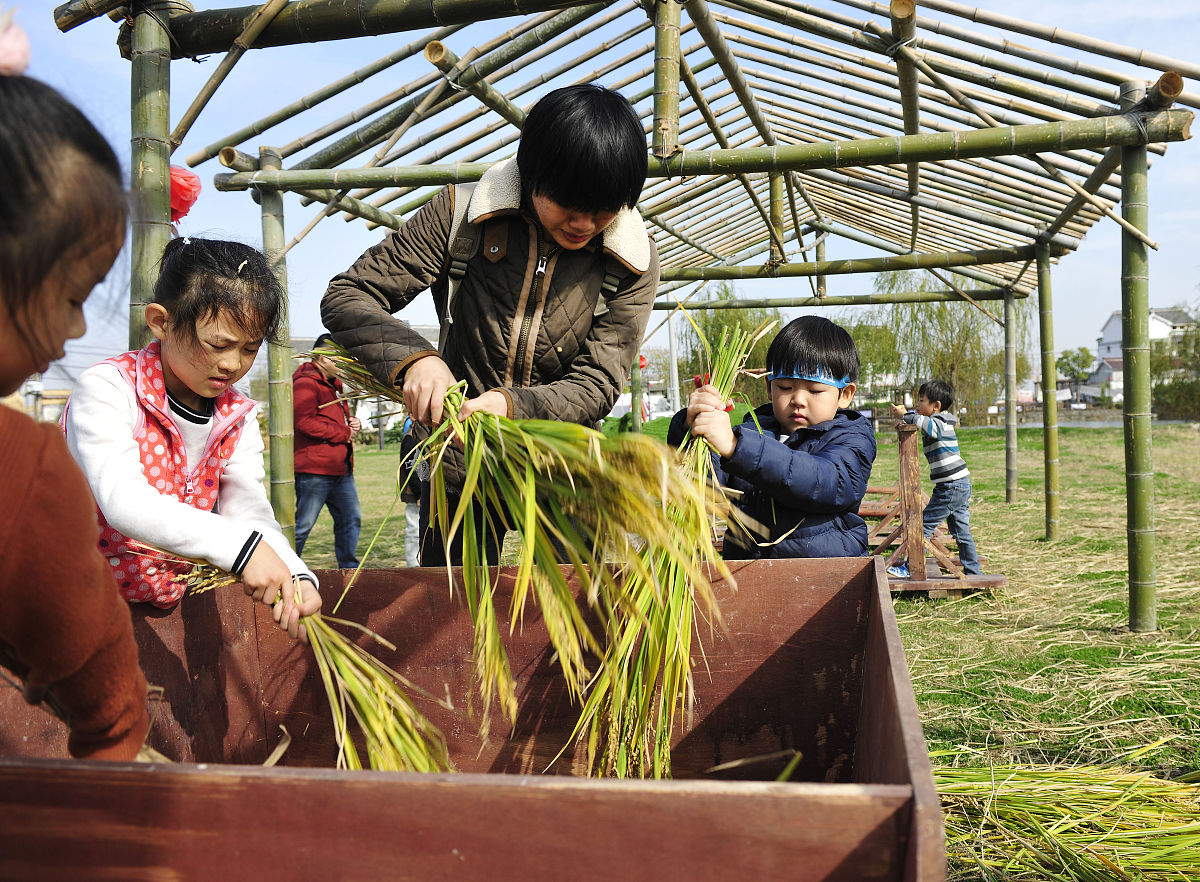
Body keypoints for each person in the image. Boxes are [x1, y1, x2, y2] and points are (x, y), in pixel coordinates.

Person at [322, 83, 658, 566]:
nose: (584, 222)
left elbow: (599, 381)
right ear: (531, 173)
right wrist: (415, 360)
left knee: (574, 618)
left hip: (561, 470)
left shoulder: (632, 258)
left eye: (602, 209)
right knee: (456, 619)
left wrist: (510, 405)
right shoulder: (461, 213)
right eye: (568, 202)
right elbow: (348, 295)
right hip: (457, 467)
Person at [64, 237, 321, 639]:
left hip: (162, 614)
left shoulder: (235, 415)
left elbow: (248, 512)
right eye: (218, 344)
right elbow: (124, 501)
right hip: (69, 608)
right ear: (161, 322)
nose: (232, 364)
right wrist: (241, 550)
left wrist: (295, 573)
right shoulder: (109, 388)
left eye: (250, 349)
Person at [0, 72, 150, 760]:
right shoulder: (24, 468)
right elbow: (111, 709)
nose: (74, 331)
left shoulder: (234, 411)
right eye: (72, 296)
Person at [667, 315, 877, 559]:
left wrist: (736, 447)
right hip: (747, 581)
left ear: (845, 395)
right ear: (769, 387)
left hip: (829, 581)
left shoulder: (852, 438)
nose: (798, 399)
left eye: (815, 390)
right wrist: (690, 427)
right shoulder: (752, 431)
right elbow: (703, 486)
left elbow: (822, 480)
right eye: (785, 387)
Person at [888, 380, 981, 576]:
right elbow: (920, 425)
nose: (917, 404)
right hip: (957, 485)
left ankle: (910, 567)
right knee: (962, 533)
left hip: (951, 487)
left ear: (936, 406)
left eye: (921, 401)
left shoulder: (941, 423)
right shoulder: (935, 423)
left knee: (923, 526)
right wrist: (904, 422)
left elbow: (924, 424)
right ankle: (974, 573)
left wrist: (904, 415)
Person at [293, 332, 362, 569]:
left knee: (350, 520)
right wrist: (343, 433)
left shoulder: (334, 386)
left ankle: (349, 570)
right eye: (339, 359)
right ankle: (286, 568)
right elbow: (303, 421)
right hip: (315, 469)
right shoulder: (305, 383)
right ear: (323, 358)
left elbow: (331, 419)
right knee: (302, 526)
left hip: (340, 468)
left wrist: (352, 423)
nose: (343, 364)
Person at [399, 414, 421, 568]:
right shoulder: (410, 438)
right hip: (416, 495)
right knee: (414, 529)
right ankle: (413, 565)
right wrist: (420, 494)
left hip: (426, 493)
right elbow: (411, 469)